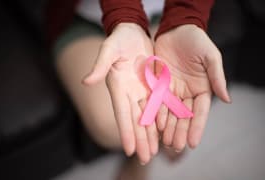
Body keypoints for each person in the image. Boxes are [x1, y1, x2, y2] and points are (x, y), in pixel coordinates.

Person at [46, 0, 231, 178]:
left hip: (168, 14)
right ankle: (143, 153)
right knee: (110, 123)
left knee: (165, 103)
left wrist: (187, 17)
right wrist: (125, 19)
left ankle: (154, 144)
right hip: (82, 16)